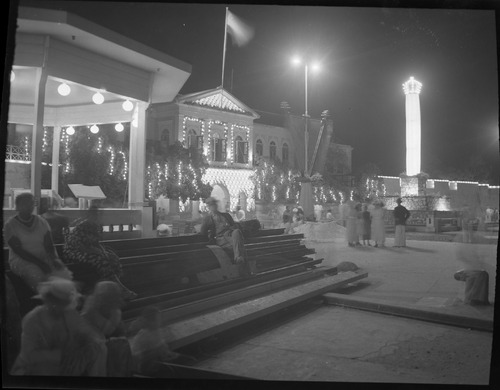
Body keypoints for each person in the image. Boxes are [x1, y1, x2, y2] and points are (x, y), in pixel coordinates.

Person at [11, 277, 107, 376]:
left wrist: (90, 340)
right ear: (51, 302)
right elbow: (28, 355)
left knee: (98, 347)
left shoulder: (68, 314)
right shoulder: (33, 320)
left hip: (63, 361)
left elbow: (85, 331)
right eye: (61, 304)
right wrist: (60, 354)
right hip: (35, 367)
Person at [63, 206, 137, 299]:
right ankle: (119, 290)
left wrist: (104, 252)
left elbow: (96, 243)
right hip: (74, 253)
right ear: (91, 214)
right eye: (97, 214)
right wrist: (99, 253)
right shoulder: (84, 225)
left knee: (112, 258)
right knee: (101, 261)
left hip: (86, 251)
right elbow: (80, 246)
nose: (98, 216)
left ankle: (111, 288)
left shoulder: (94, 225)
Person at [4, 193, 73, 291]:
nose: (29, 206)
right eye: (25, 203)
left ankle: (65, 301)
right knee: (37, 275)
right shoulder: (10, 225)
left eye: (31, 203)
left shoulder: (42, 221)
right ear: (17, 206)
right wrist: (41, 264)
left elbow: (49, 245)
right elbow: (19, 251)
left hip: (44, 256)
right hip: (22, 260)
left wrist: (54, 259)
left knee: (61, 273)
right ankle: (44, 301)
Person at [81, 281, 133, 377]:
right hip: (97, 346)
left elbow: (106, 331)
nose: (98, 295)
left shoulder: (115, 311)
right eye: (98, 293)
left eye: (101, 293)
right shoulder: (92, 306)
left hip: (115, 348)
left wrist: (91, 311)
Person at [129, 306, 196, 376]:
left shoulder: (155, 330)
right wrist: (166, 354)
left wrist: (170, 354)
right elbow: (141, 357)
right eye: (157, 319)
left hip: (158, 360)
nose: (160, 322)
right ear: (150, 321)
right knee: (183, 366)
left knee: (190, 361)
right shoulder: (144, 335)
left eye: (159, 319)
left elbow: (163, 350)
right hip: (149, 365)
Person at [199, 197, 253, 277]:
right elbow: (203, 232)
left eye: (214, 204)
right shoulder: (207, 219)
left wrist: (231, 227)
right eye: (211, 205)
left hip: (231, 235)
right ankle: (245, 271)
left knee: (237, 233)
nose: (213, 206)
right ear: (208, 207)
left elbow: (235, 226)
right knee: (240, 245)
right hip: (220, 239)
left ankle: (238, 259)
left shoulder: (226, 215)